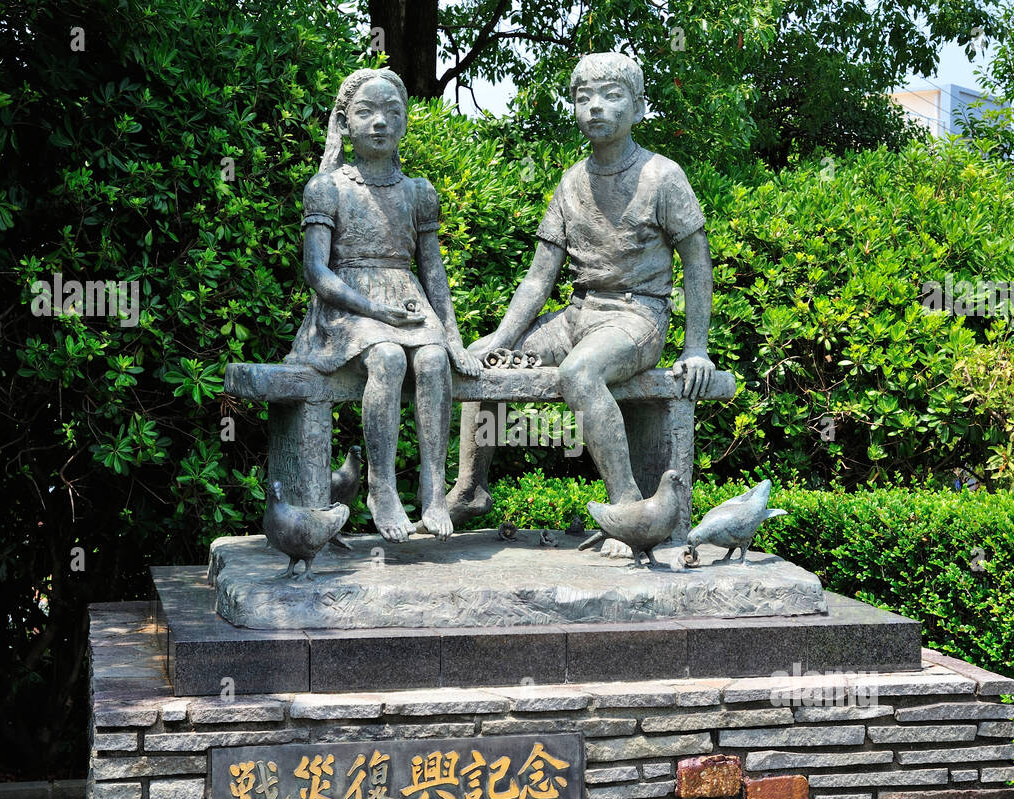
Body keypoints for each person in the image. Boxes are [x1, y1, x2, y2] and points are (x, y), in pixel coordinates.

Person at [446, 52, 716, 554]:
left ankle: (629, 508)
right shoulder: (572, 181)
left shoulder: (663, 176)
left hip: (637, 318)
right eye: (583, 97)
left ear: (638, 107)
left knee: (579, 373)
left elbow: (698, 263)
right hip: (576, 315)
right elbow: (537, 280)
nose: (595, 107)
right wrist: (500, 340)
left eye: (612, 96)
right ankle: (470, 488)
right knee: (487, 363)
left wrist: (695, 345)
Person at [287, 68, 481, 542]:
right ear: (345, 121)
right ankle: (382, 486)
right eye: (366, 112)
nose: (380, 122)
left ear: (405, 122)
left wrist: (453, 338)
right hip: (347, 307)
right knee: (389, 358)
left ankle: (434, 490)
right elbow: (317, 273)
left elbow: (433, 273)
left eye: (392, 112)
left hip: (407, 299)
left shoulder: (418, 192)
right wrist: (374, 311)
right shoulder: (328, 188)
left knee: (433, 361)